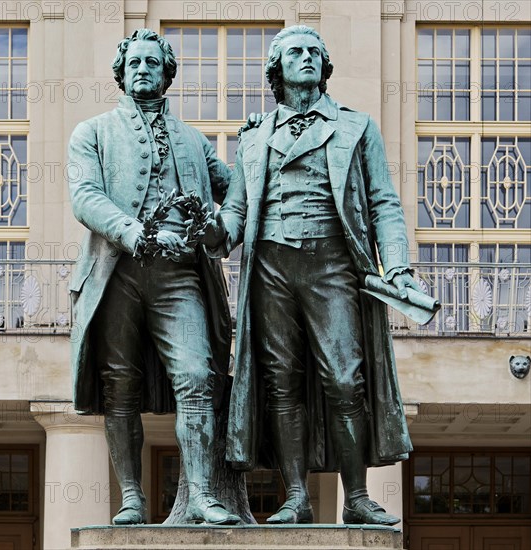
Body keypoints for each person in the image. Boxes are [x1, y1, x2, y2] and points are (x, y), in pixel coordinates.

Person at [206, 25, 419, 525]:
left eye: (313, 52)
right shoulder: (256, 137)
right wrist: (214, 232)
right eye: (294, 52)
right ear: (276, 68)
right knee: (282, 383)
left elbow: (384, 203)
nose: (305, 58)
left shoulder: (356, 126)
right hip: (272, 268)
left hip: (332, 265)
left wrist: (399, 267)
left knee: (346, 380)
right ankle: (296, 497)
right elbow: (236, 211)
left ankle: (358, 498)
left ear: (324, 66)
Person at [67, 28, 241, 525]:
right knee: (119, 386)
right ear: (121, 73)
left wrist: (218, 229)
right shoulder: (92, 132)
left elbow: (236, 198)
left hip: (180, 275)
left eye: (153, 62)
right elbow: (85, 197)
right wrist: (135, 232)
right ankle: (130, 496)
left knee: (197, 377)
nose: (142, 69)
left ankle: (204, 495)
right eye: (134, 62)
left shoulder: (195, 141)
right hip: (116, 271)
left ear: (168, 73)